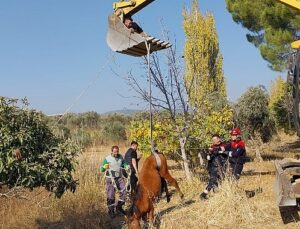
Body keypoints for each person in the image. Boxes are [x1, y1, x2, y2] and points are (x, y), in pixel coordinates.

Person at [100, 145, 128, 218]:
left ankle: (119, 207)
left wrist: (126, 166)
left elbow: (124, 163)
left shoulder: (120, 157)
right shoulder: (107, 159)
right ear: (111, 151)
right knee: (111, 195)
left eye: (117, 152)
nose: (116, 154)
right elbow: (101, 170)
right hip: (110, 178)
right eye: (115, 152)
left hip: (119, 177)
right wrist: (103, 167)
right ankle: (111, 211)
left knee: (124, 191)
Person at [200, 134, 228, 200]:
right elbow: (208, 158)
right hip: (212, 167)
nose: (214, 141)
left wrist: (215, 150)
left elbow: (223, 150)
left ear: (219, 139)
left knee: (217, 181)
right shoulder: (211, 147)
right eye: (213, 140)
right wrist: (207, 153)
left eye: (215, 139)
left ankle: (213, 196)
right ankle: (203, 194)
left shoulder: (224, 145)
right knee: (212, 181)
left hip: (220, 167)